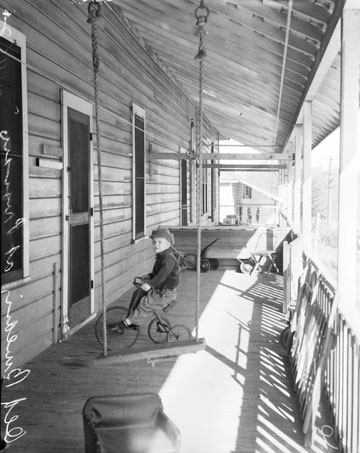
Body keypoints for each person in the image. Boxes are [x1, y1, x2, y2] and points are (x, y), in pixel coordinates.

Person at [119, 227, 181, 330]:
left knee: (145, 303)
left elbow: (162, 276)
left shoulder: (169, 258)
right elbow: (157, 274)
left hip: (165, 292)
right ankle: (134, 320)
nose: (156, 245)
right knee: (138, 293)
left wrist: (150, 284)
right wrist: (148, 277)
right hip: (161, 288)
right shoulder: (162, 256)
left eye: (160, 242)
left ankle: (127, 323)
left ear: (168, 244)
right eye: (154, 242)